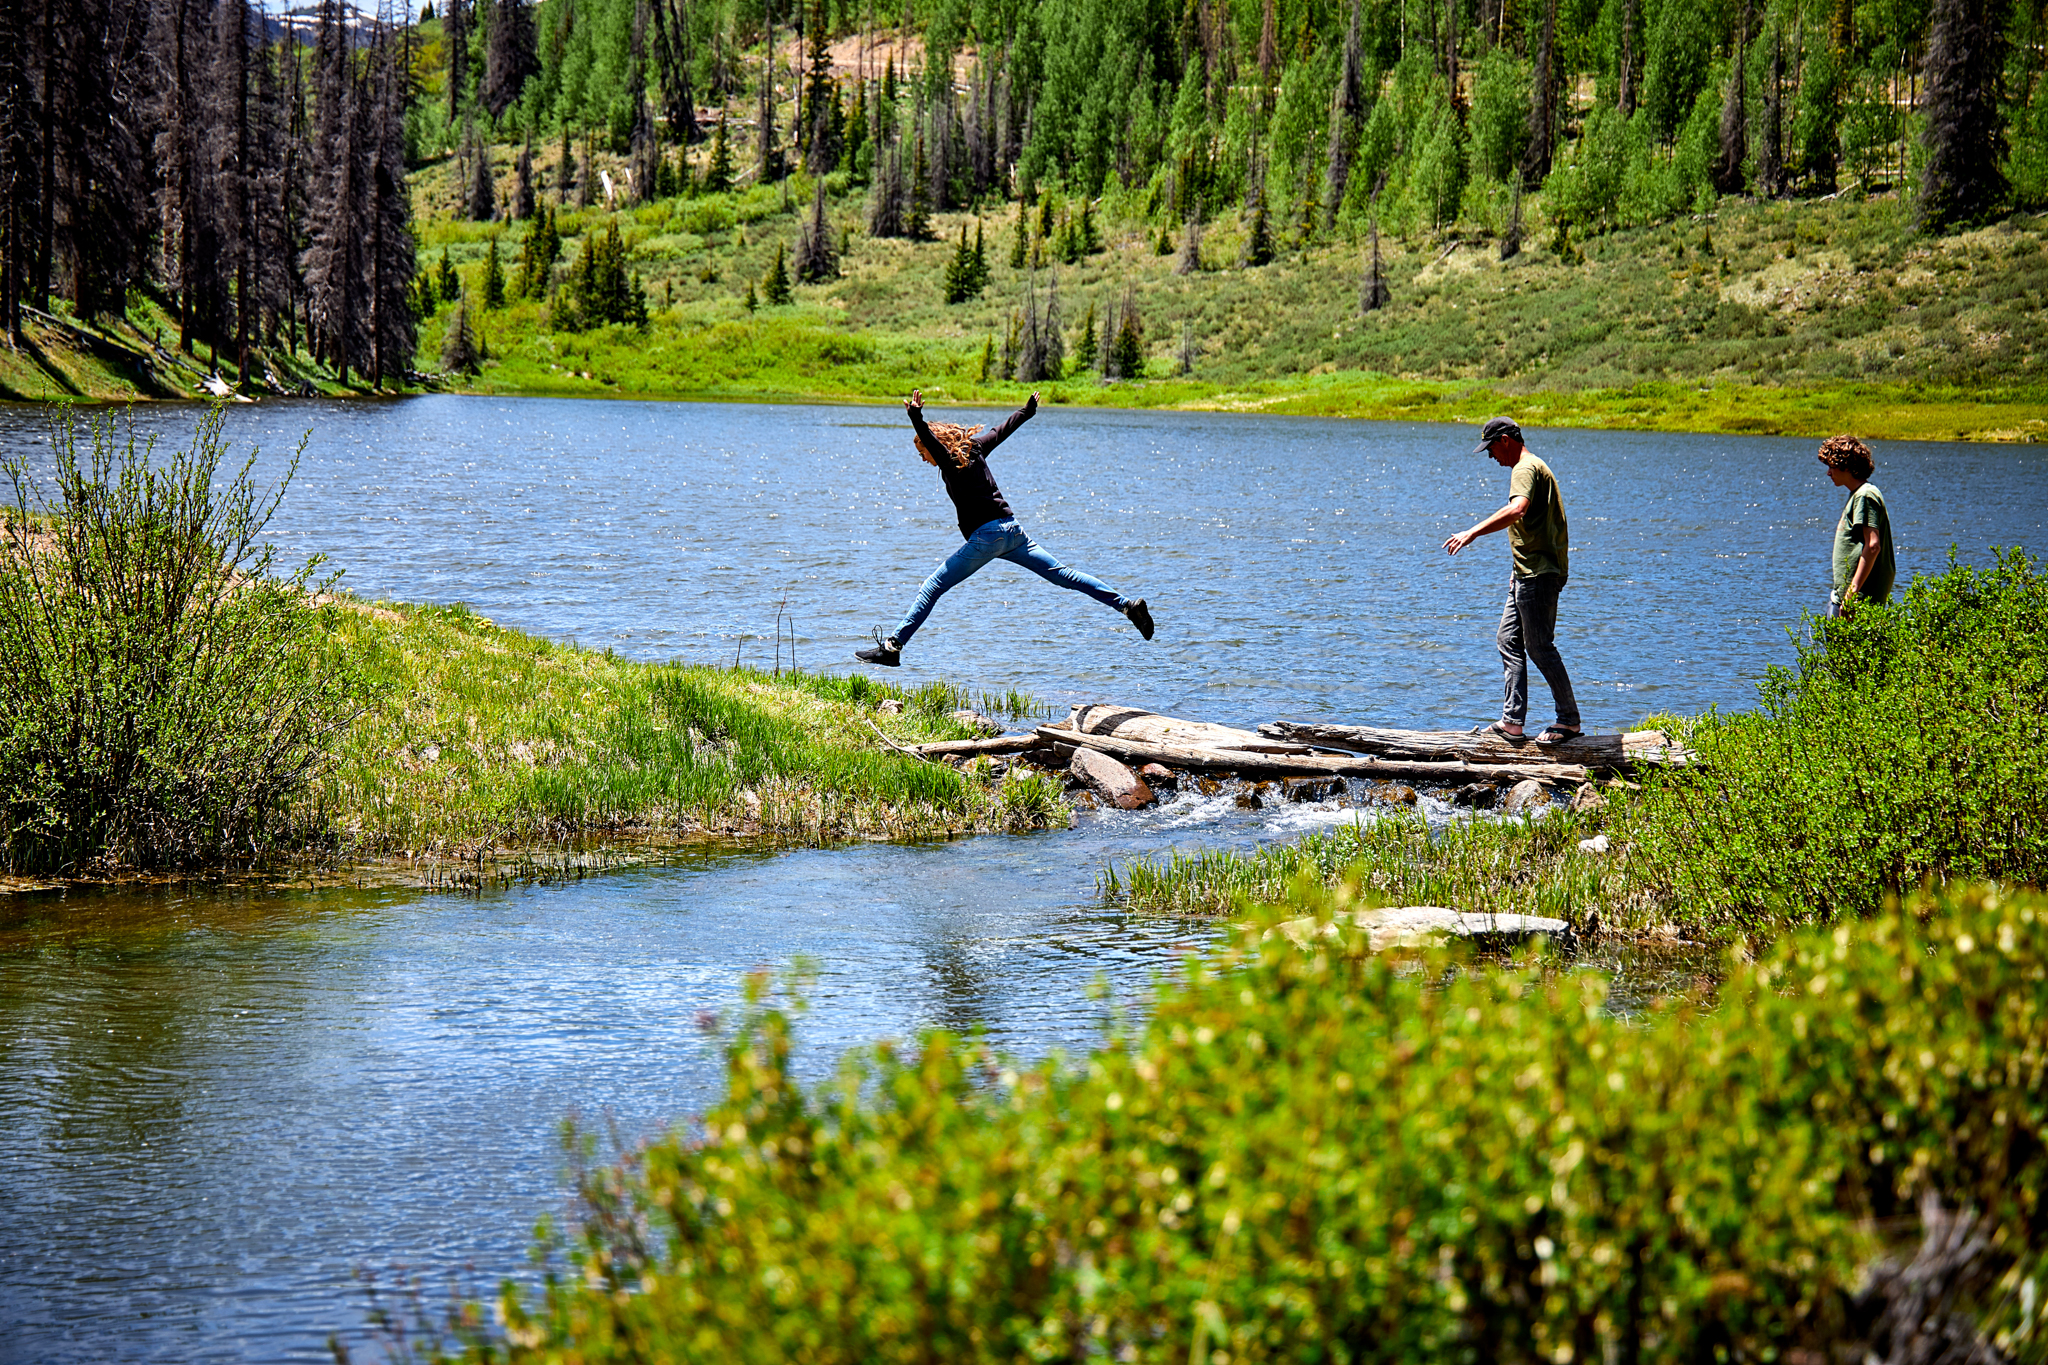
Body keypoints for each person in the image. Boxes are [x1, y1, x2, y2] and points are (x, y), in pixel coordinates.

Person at [853, 389, 1154, 666]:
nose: (924, 459)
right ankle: (1128, 607)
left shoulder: (949, 461)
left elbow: (933, 441)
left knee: (932, 586)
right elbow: (1001, 431)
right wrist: (1026, 411)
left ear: (937, 446)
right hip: (1013, 532)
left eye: (923, 453)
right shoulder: (975, 448)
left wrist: (916, 418)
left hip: (987, 537)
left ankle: (892, 649)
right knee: (1064, 576)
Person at [1442, 416, 1583, 743]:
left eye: (1491, 448)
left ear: (1506, 440)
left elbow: (1518, 510)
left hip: (1539, 575)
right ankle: (1512, 723)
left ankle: (1569, 720)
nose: (1491, 456)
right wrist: (1515, 571)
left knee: (1539, 647)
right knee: (1508, 640)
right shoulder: (1532, 467)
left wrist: (1472, 532)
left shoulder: (1525, 469)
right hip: (1526, 573)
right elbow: (1532, 527)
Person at [1818, 434, 1894, 616]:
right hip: (1847, 600)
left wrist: (1851, 595)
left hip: (1854, 603)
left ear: (1846, 466)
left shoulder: (1865, 495)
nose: (1828, 473)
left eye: (1831, 466)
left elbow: (1873, 545)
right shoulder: (1859, 494)